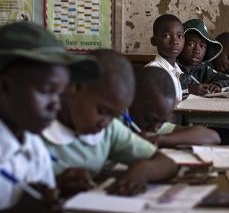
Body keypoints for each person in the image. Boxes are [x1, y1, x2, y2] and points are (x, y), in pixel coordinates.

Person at [0, 21, 99, 213]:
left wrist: (59, 188)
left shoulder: (33, 145)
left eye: (60, 94)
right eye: (46, 91)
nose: (56, 105)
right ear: (5, 86)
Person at [42, 49, 177, 197]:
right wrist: (57, 182)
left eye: (114, 116)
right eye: (102, 111)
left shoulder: (108, 130)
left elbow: (167, 164)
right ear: (75, 87)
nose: (105, 123)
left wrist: (142, 170)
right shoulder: (35, 124)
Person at [129, 67, 221, 147]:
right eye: (149, 119)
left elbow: (212, 137)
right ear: (130, 101)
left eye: (162, 122)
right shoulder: (119, 126)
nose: (155, 128)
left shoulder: (154, 126)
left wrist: (160, 139)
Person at [178, 19, 229, 96]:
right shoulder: (170, 67)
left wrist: (218, 86)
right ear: (181, 44)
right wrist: (189, 89)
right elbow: (161, 89)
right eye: (191, 44)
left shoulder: (202, 69)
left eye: (202, 46)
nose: (197, 50)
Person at [145, 14, 185, 101]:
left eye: (180, 36)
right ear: (154, 41)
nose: (175, 41)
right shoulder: (152, 72)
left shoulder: (175, 70)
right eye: (166, 36)